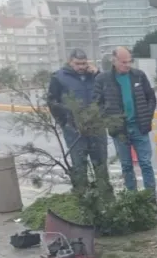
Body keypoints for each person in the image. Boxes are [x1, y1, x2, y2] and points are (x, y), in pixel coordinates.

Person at [93, 46, 157, 213]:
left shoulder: (139, 76)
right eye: (123, 62)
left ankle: (151, 200)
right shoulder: (103, 79)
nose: (127, 65)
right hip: (120, 130)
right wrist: (109, 119)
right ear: (114, 61)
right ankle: (132, 200)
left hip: (139, 128)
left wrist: (147, 116)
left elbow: (151, 97)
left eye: (129, 61)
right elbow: (97, 103)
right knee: (126, 166)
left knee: (145, 163)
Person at [47, 49, 111, 194]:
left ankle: (105, 196)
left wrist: (98, 74)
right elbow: (52, 102)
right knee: (79, 165)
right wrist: (65, 122)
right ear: (70, 62)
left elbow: (108, 93)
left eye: (84, 63)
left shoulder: (94, 76)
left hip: (96, 128)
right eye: (77, 64)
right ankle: (83, 196)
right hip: (74, 130)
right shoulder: (59, 77)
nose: (81, 67)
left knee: (100, 164)